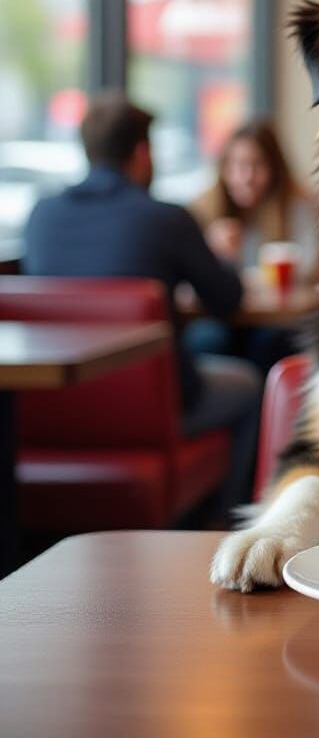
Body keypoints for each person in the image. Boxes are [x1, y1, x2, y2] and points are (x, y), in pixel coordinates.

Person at [22, 93, 263, 513]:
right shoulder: (164, 218)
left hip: (50, 416)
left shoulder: (41, 216)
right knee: (249, 383)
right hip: (150, 412)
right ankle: (223, 522)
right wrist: (222, 257)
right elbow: (227, 300)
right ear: (142, 152)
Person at [187, 120, 319, 373]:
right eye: (236, 166)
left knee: (271, 342)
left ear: (275, 168)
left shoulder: (296, 205)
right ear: (223, 168)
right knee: (207, 339)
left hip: (276, 321)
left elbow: (309, 266)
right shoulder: (204, 209)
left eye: (256, 166)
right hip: (221, 318)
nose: (245, 177)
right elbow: (190, 280)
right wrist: (210, 251)